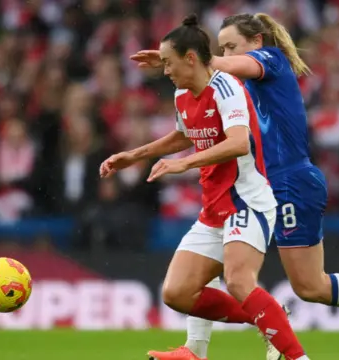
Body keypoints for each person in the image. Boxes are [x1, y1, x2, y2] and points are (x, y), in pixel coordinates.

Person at [133, 13, 339, 360]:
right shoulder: (225, 87)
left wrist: (190, 57)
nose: (225, 53)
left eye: (230, 46)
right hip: (250, 187)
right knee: (211, 248)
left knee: (310, 285)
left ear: (256, 42)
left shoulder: (270, 60)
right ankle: (195, 349)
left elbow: (221, 69)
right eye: (220, 46)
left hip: (289, 182)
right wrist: (176, 63)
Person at [101, 14, 312, 360]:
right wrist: (134, 155)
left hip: (247, 200)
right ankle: (264, 322)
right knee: (177, 293)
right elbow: (184, 135)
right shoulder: (182, 95)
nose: (165, 71)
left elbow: (239, 143)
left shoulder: (227, 87)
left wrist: (184, 163)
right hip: (214, 208)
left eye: (168, 63)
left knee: (239, 282)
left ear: (190, 58)